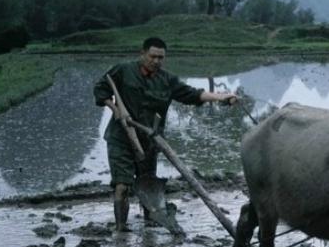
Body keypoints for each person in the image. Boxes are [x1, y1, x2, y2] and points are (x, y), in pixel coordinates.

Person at [93, 36, 236, 232]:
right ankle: (121, 230)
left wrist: (221, 97)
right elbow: (101, 89)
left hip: (150, 140)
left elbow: (193, 95)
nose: (157, 61)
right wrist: (115, 109)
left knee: (148, 182)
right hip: (121, 137)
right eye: (153, 56)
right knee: (122, 186)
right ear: (142, 54)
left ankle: (150, 223)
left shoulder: (168, 80)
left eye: (161, 58)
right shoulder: (123, 70)